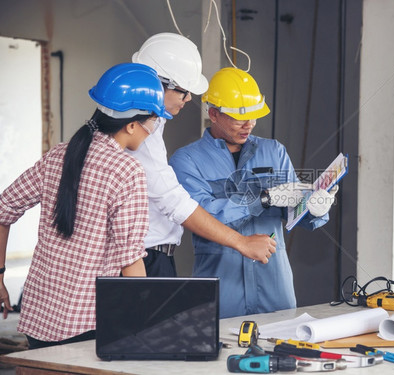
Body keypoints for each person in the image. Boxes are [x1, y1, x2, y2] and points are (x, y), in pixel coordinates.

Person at [0, 63, 169, 348]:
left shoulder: (59, 154)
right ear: (131, 124)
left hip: (38, 317)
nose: (152, 130)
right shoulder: (127, 171)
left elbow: (4, 208)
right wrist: (144, 326)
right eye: (152, 122)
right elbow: (130, 260)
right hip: (88, 324)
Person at [169, 67, 338, 318]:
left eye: (254, 116)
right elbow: (202, 216)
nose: (249, 125)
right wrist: (263, 198)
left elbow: (293, 208)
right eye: (240, 118)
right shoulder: (187, 160)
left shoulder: (274, 151)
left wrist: (314, 208)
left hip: (275, 285)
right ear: (214, 114)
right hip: (220, 286)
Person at [128, 33, 275, 277]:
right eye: (184, 91)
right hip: (144, 257)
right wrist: (243, 237)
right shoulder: (154, 142)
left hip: (155, 255)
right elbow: (176, 203)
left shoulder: (154, 123)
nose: (188, 99)